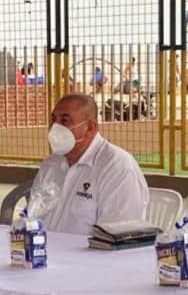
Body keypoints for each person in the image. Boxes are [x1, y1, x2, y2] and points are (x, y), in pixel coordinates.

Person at [30, 93, 149, 235]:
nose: (55, 128)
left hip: (90, 249)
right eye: (54, 120)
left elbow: (118, 234)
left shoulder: (118, 168)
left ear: (90, 128)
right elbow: (32, 217)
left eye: (65, 121)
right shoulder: (51, 165)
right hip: (43, 247)